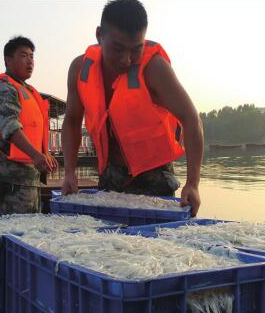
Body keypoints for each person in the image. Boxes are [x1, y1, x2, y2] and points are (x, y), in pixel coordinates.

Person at [61, 0, 203, 216]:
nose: (126, 60)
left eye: (136, 50)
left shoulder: (154, 68)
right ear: (99, 35)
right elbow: (71, 120)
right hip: (111, 175)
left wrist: (193, 183)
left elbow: (191, 118)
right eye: (117, 48)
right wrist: (69, 172)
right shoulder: (80, 68)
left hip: (155, 177)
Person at [0, 36, 58, 214]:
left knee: (31, 229)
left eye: (32, 56)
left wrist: (45, 154)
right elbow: (10, 127)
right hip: (11, 180)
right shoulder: (4, 88)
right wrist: (37, 156)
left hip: (29, 177)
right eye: (24, 55)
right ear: (8, 60)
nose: (30, 61)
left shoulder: (28, 91)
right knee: (16, 231)